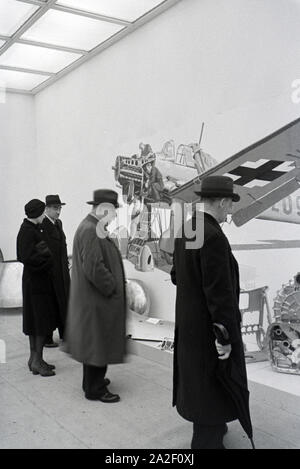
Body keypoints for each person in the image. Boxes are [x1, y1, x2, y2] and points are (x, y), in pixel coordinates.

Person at [170, 175, 248, 449]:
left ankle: (211, 426)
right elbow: (219, 295)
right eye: (230, 205)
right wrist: (224, 335)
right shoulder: (213, 236)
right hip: (208, 331)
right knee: (212, 382)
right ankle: (206, 440)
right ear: (223, 201)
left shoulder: (189, 228)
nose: (230, 211)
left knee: (200, 383)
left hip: (190, 327)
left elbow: (177, 275)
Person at [66, 189, 127, 403]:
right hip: (97, 301)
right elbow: (94, 268)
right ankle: (95, 389)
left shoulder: (92, 226)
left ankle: (92, 382)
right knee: (98, 345)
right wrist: (112, 287)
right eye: (112, 212)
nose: (114, 216)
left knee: (96, 344)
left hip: (94, 300)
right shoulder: (91, 230)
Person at [16, 199, 58, 377]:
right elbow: (25, 257)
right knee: (39, 323)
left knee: (35, 322)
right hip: (36, 282)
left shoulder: (30, 229)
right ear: (38, 213)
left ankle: (34, 359)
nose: (44, 215)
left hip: (35, 281)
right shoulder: (28, 231)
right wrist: (47, 263)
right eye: (43, 212)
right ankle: (37, 361)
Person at [42, 194, 70, 347]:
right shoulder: (42, 225)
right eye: (55, 208)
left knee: (63, 302)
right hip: (50, 272)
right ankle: (47, 338)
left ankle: (65, 334)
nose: (58, 211)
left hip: (61, 271)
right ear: (46, 209)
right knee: (50, 305)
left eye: (59, 208)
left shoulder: (58, 223)